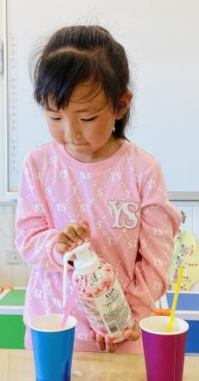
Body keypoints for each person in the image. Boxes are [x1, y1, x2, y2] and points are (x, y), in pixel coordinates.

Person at [15, 25, 180, 353]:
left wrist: (128, 316)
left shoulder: (143, 171)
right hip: (52, 329)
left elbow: (156, 258)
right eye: (54, 117)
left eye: (87, 118)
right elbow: (27, 240)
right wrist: (58, 246)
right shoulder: (38, 165)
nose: (70, 132)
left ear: (120, 105)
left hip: (121, 335)